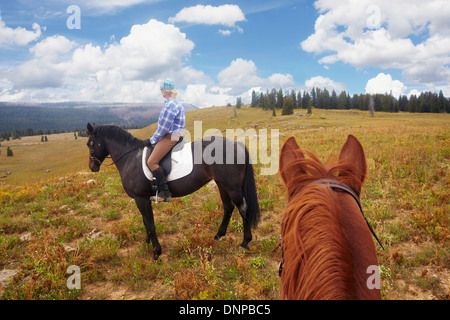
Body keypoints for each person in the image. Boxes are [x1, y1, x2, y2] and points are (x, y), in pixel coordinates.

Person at [147, 80, 185, 202]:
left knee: (151, 161)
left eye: (161, 90)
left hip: (170, 136)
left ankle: (165, 193)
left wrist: (152, 139)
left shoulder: (170, 105)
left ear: (164, 91)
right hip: (173, 134)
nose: (161, 92)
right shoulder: (176, 103)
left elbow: (164, 127)